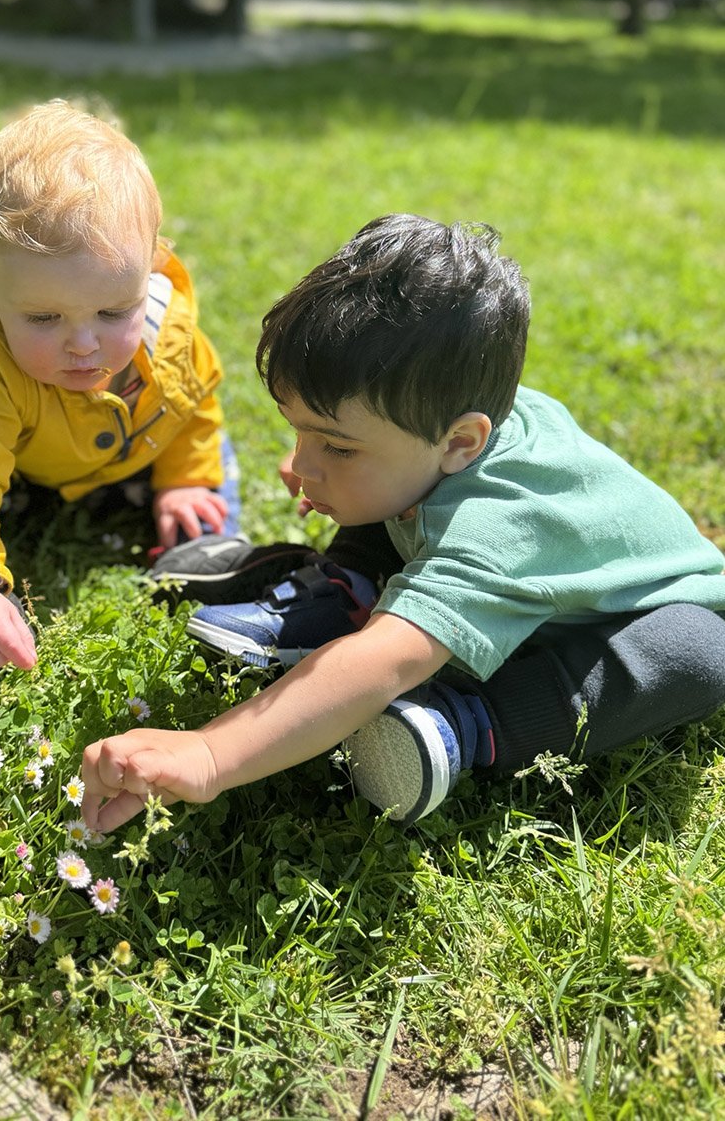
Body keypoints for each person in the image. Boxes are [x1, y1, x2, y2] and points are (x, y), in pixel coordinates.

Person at [81, 213, 725, 833]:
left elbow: (378, 667)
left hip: (626, 625)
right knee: (386, 486)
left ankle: (464, 722)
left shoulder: (497, 530)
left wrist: (210, 753)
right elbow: (382, 461)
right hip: (470, 540)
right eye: (298, 432)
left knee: (699, 650)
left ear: (462, 442)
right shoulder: (443, 417)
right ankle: (342, 593)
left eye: (334, 444)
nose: (303, 464)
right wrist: (330, 453)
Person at [0, 99, 239, 685]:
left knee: (207, 468)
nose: (84, 344)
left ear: (150, 268)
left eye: (111, 311)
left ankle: (210, 553)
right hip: (22, 460)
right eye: (44, 319)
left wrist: (183, 478)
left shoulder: (167, 329)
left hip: (132, 455)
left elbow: (194, 405)